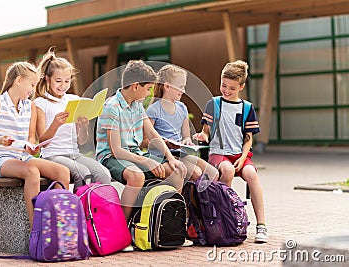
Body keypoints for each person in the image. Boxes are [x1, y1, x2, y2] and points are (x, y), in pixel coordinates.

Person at [0, 61, 70, 228]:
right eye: (32, 84)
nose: (33, 90)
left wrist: (31, 145)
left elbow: (31, 137)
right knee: (32, 172)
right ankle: (37, 228)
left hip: (23, 156)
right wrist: (0, 140)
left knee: (62, 172)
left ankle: (58, 224)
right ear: (19, 80)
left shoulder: (30, 106)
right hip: (1, 159)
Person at [95, 60, 187, 222]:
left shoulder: (137, 105)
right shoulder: (112, 107)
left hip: (134, 155)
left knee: (177, 170)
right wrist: (147, 161)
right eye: (148, 88)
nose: (150, 93)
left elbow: (152, 134)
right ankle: (122, 228)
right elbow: (116, 150)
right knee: (137, 176)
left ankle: (168, 224)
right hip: (112, 157)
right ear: (135, 86)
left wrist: (171, 158)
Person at [192, 60, 268, 243]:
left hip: (239, 154)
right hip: (218, 153)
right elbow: (205, 132)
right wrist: (202, 136)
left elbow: (248, 138)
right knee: (227, 170)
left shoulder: (247, 108)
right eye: (223, 85)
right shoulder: (214, 104)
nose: (226, 90)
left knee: (251, 174)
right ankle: (227, 220)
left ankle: (261, 226)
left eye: (232, 88)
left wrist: (243, 158)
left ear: (241, 86)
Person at [34, 47, 112, 187]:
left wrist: (83, 127)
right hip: (52, 156)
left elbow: (81, 141)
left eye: (67, 81)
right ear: (47, 79)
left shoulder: (73, 100)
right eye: (58, 81)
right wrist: (55, 125)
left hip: (74, 154)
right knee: (83, 174)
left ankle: (94, 207)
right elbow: (42, 143)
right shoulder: (40, 103)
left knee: (104, 174)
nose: (63, 86)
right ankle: (77, 208)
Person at [144, 64, 219, 182]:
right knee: (196, 173)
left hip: (179, 153)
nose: (183, 91)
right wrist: (166, 143)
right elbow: (144, 141)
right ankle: (192, 199)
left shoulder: (182, 108)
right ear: (167, 86)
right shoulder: (154, 110)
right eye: (180, 87)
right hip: (161, 156)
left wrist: (187, 141)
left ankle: (204, 199)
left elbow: (186, 137)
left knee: (213, 173)